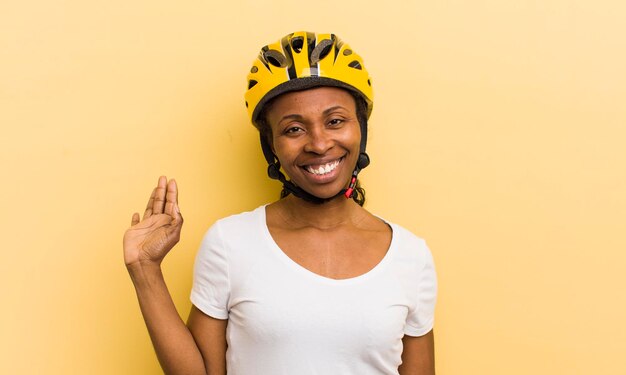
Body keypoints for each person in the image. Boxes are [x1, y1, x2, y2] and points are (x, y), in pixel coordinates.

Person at [123, 31, 437, 375]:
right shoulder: (230, 243)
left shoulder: (411, 256)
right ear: (270, 145)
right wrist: (145, 270)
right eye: (293, 129)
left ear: (359, 127)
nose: (319, 143)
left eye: (335, 121)